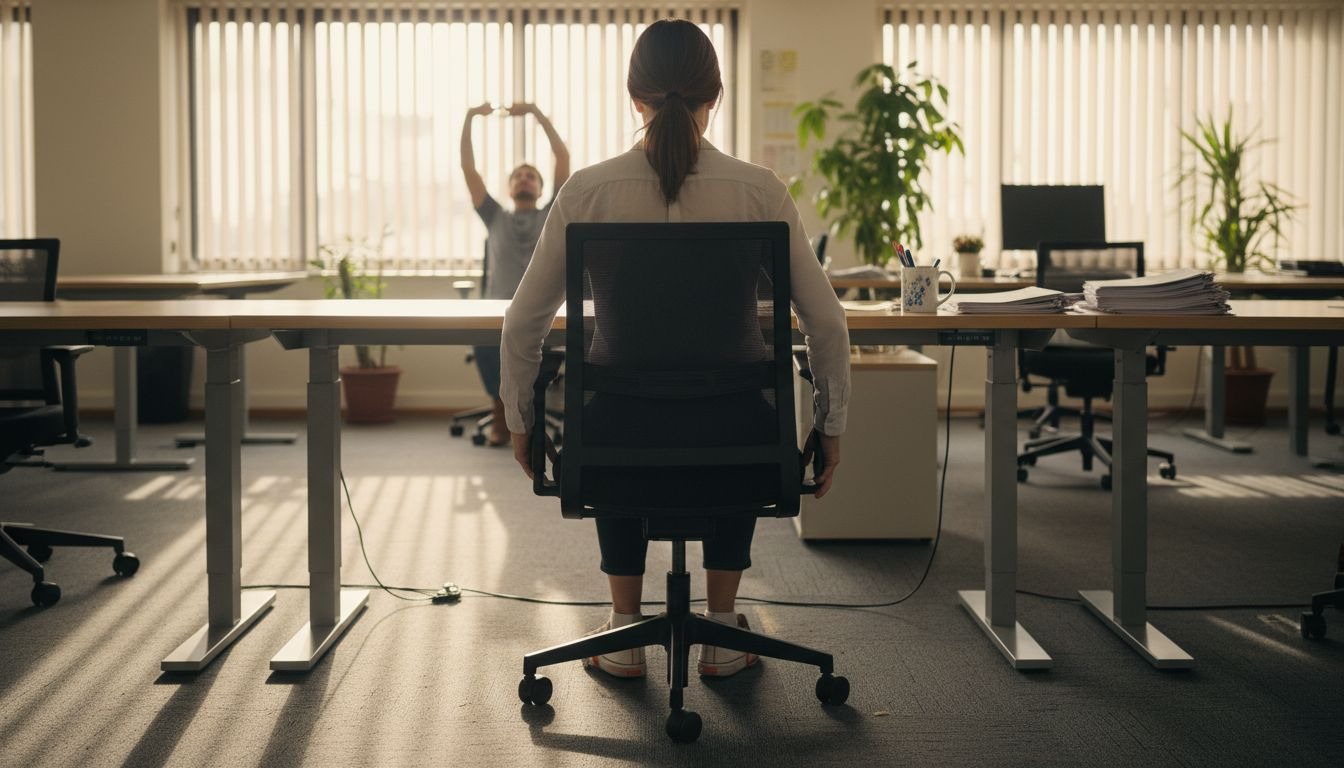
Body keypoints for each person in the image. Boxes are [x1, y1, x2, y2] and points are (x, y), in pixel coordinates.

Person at [498, 19, 850, 679]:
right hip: (740, 440)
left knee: (620, 409)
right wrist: (831, 426)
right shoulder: (759, 191)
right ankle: (720, 630)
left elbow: (523, 323)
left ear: (635, 97)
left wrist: (519, 422)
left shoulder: (587, 192)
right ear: (713, 95)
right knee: (735, 408)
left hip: (616, 441)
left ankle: (625, 631)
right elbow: (826, 323)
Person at [460, 101, 569, 446]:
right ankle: (500, 412)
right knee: (486, 343)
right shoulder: (495, 216)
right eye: (519, 176)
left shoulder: (552, 213)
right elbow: (468, 168)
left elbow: (562, 159)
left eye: (532, 176)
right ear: (510, 189)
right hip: (496, 312)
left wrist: (537, 114)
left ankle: (525, 417)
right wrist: (469, 118)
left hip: (544, 311)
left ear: (540, 188)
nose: (525, 179)